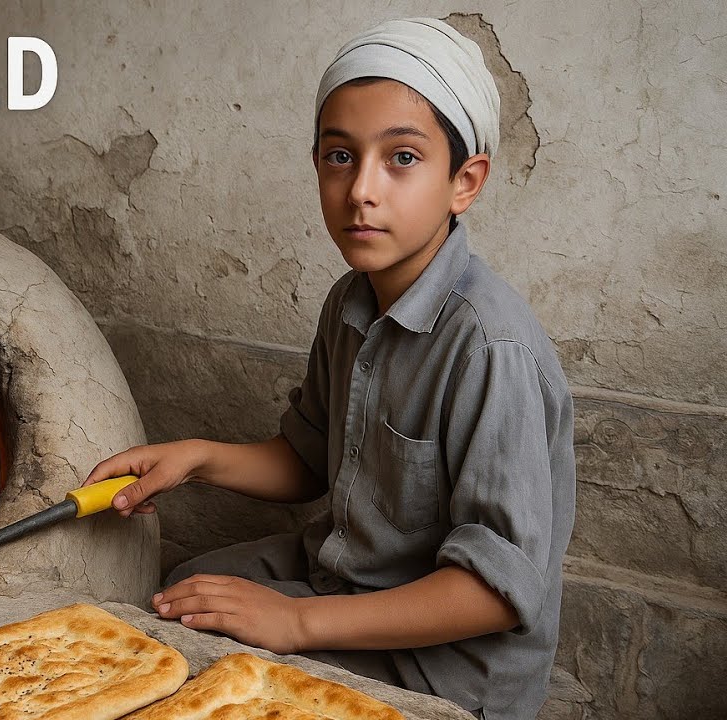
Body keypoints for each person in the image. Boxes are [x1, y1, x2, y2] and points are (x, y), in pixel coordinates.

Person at [83, 17, 576, 720]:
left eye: (401, 158)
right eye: (340, 157)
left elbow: (495, 591)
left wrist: (296, 624)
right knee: (184, 592)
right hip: (346, 578)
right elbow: (308, 461)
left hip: (444, 663)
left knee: (210, 670)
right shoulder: (351, 302)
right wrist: (195, 459)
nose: (361, 191)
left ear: (464, 182)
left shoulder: (489, 347)